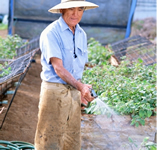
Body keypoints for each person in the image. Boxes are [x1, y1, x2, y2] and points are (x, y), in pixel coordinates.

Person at [34, 0, 98, 150]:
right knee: (49, 139)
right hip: (54, 92)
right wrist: (79, 86)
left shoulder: (81, 34)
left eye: (80, 9)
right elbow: (59, 68)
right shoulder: (51, 33)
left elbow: (77, 66)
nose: (76, 14)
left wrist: (80, 89)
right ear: (62, 10)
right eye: (71, 9)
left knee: (71, 138)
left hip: (73, 92)